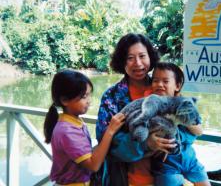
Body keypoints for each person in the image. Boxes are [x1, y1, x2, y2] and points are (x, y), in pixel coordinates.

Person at [96, 33, 196, 186]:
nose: (138, 63)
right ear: (122, 61)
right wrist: (146, 144)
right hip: (127, 178)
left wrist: (169, 141)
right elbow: (106, 144)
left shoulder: (163, 86)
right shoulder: (112, 97)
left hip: (171, 176)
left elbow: (190, 129)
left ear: (150, 57)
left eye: (142, 56)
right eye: (130, 58)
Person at [43, 69, 124, 185]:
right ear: (65, 100)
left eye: (89, 95)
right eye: (84, 97)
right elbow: (93, 165)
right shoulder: (67, 131)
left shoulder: (74, 121)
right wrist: (110, 131)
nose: (89, 101)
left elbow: (87, 153)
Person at [150, 62, 211, 186]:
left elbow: (199, 131)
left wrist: (183, 119)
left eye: (165, 81)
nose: (159, 85)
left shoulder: (186, 105)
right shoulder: (151, 106)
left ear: (177, 86)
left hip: (190, 160)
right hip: (166, 166)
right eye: (155, 81)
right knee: (168, 181)